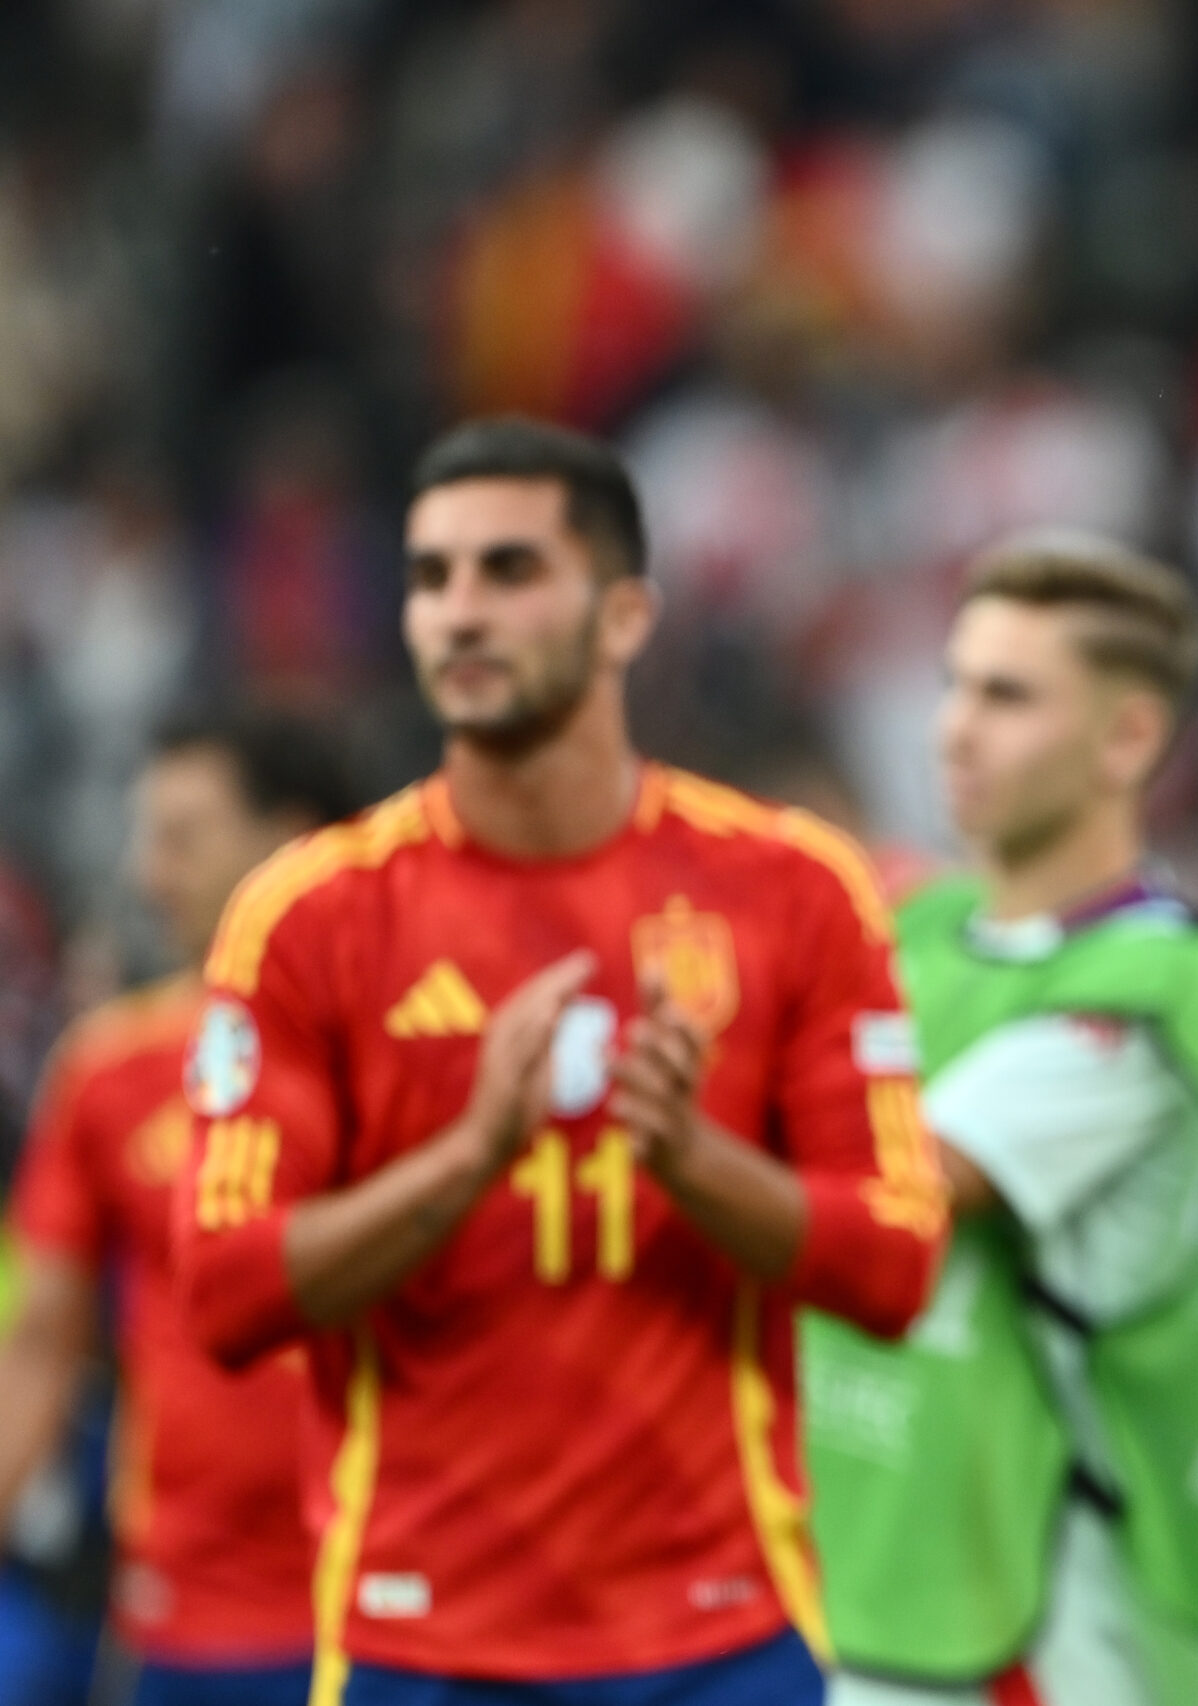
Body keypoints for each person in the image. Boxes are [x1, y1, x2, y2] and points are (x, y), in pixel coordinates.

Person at [172, 417, 949, 1706]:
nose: (458, 614)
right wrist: (469, 1154)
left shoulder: (794, 890)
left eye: (509, 570)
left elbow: (895, 1265)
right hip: (419, 1640)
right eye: (430, 578)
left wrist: (693, 1159)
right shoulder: (308, 915)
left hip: (721, 1635)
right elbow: (227, 1290)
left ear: (626, 614)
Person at [801, 534, 1198, 1706]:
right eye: (953, 682)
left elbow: (903, 1173)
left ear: (1128, 737)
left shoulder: (1153, 976)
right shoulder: (918, 929)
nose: (953, 726)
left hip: (1046, 1627)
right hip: (861, 1586)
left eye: (1007, 694)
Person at [0, 709, 356, 1706]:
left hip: (385, 1608)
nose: (147, 871)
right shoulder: (104, 1073)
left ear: (289, 836)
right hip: (182, 1624)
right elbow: (38, 1347)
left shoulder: (419, 1051)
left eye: (181, 836)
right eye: (143, 836)